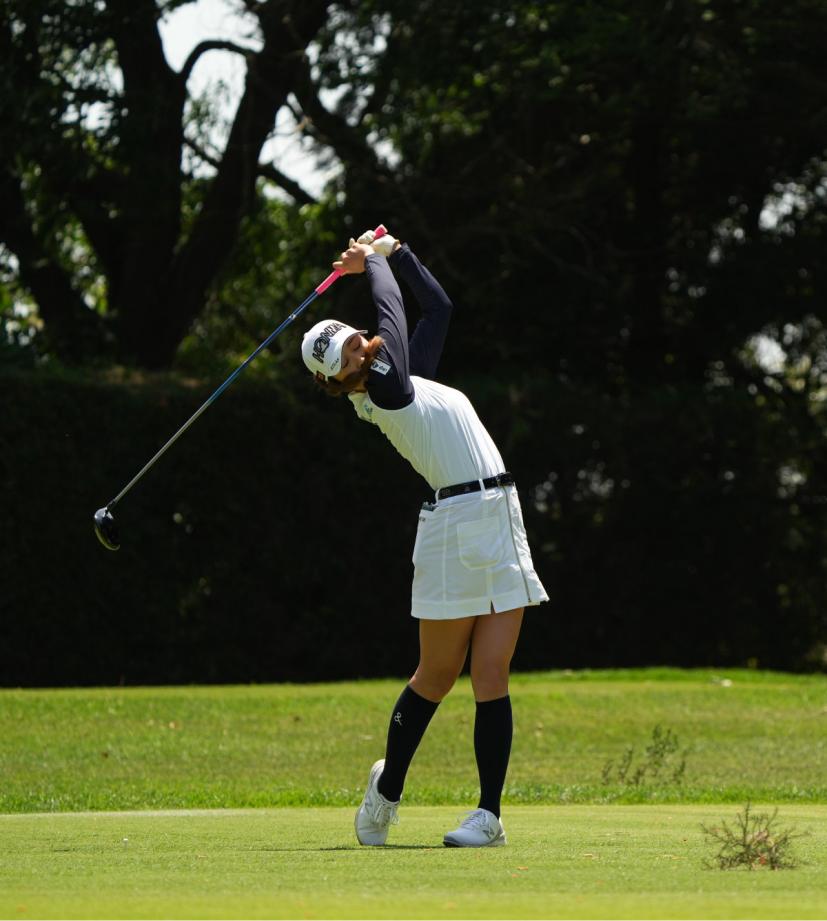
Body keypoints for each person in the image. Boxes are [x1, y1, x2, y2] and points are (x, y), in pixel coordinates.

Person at [300, 229, 548, 848]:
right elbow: (393, 310)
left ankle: (488, 816)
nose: (358, 345)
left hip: (500, 513)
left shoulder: (408, 379)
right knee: (436, 675)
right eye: (347, 354)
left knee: (492, 673)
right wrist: (372, 262)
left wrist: (401, 254)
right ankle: (385, 794)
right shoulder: (384, 390)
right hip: (451, 525)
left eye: (352, 338)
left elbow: (437, 309)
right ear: (342, 380)